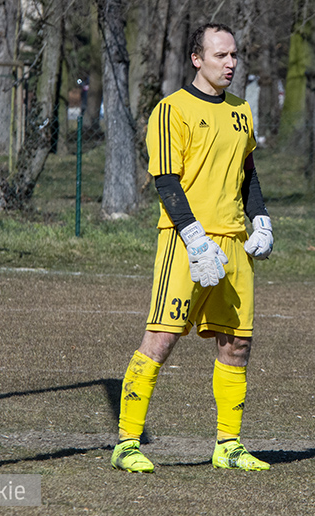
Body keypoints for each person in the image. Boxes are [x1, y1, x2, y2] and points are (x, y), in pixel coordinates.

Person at [110, 23, 274, 473]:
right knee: (161, 339)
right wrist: (194, 236)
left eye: (235, 55)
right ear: (197, 59)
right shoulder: (172, 109)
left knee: (237, 344)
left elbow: (248, 174)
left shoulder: (242, 111)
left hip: (234, 243)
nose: (231, 63)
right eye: (221, 55)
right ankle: (126, 443)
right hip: (187, 242)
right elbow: (165, 178)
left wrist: (260, 218)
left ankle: (229, 445)